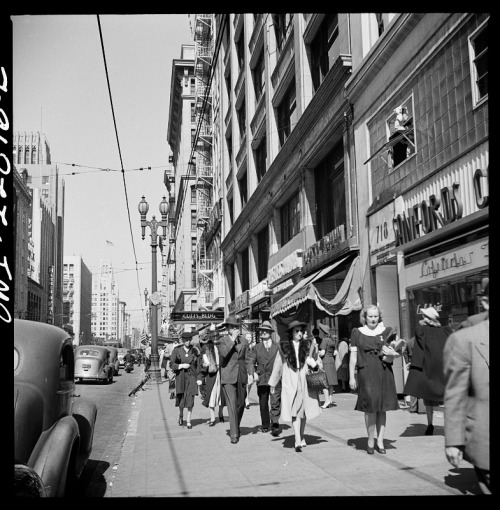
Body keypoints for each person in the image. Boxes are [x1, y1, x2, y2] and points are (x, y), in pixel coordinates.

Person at [443, 277, 489, 494]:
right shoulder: (464, 339)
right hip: (485, 438)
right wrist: (454, 440)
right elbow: (456, 393)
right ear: (486, 303)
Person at [349, 305, 401, 454]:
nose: (373, 319)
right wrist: (351, 376)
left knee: (382, 408)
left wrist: (393, 350)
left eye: (375, 316)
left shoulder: (386, 332)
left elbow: (394, 350)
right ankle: (370, 439)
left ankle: (380, 441)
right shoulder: (357, 333)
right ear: (364, 317)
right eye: (370, 316)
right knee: (370, 407)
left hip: (384, 371)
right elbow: (353, 357)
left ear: (379, 317)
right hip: (366, 372)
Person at [269, 320, 321, 452]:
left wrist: (314, 363)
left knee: (303, 412)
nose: (299, 333)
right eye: (296, 331)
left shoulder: (308, 345)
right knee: (294, 411)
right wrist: (273, 383)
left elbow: (316, 361)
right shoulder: (284, 347)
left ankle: (301, 436)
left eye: (300, 331)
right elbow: (278, 366)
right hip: (290, 382)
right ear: (291, 333)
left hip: (304, 382)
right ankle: (297, 439)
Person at [403, 306, 452, 435]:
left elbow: (420, 351)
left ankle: (430, 425)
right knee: (446, 399)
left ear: (427, 319)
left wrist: (415, 367)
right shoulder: (446, 331)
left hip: (429, 369)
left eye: (424, 317)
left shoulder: (422, 331)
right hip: (444, 369)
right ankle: (448, 427)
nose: (422, 318)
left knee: (429, 400)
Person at [217, 315, 254, 444]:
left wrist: (251, 373)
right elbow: (224, 354)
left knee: (241, 404)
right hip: (228, 376)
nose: (235, 329)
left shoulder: (244, 341)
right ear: (228, 329)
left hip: (241, 375)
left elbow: (248, 358)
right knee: (232, 404)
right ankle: (234, 434)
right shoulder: (222, 340)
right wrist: (232, 340)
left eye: (236, 327)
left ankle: (235, 425)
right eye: (232, 327)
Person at [248, 320, 282, 436]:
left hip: (275, 379)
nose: (263, 332)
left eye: (265, 331)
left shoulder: (277, 346)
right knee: (263, 403)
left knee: (275, 402)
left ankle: (275, 424)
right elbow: (250, 361)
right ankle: (265, 425)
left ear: (270, 332)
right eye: (261, 331)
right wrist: (253, 373)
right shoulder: (256, 348)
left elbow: (282, 362)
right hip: (262, 379)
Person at [169, 331, 201, 429]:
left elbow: (199, 366)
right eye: (185, 340)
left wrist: (199, 378)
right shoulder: (177, 350)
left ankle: (188, 420)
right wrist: (180, 365)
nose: (187, 341)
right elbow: (171, 364)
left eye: (189, 339)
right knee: (181, 400)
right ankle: (181, 415)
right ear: (182, 340)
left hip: (192, 378)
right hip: (181, 377)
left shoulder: (195, 350)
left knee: (190, 399)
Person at [197, 329, 223, 426]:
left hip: (222, 374)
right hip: (211, 375)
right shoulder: (206, 348)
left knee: (221, 395)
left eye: (217, 336)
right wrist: (200, 376)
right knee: (212, 395)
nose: (215, 338)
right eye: (214, 336)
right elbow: (203, 363)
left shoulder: (222, 346)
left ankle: (221, 414)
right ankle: (212, 418)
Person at [316, 328, 338, 408]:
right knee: (330, 382)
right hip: (331, 360)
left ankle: (326, 400)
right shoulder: (332, 340)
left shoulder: (325, 340)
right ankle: (330, 399)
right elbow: (335, 352)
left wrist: (317, 353)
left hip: (326, 361)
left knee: (324, 382)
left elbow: (322, 353)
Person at [245, 332, 256, 409]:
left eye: (250, 337)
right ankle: (246, 400)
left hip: (251, 367)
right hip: (245, 367)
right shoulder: (244, 346)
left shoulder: (253, 347)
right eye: (247, 337)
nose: (249, 338)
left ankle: (246, 397)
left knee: (250, 384)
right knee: (246, 384)